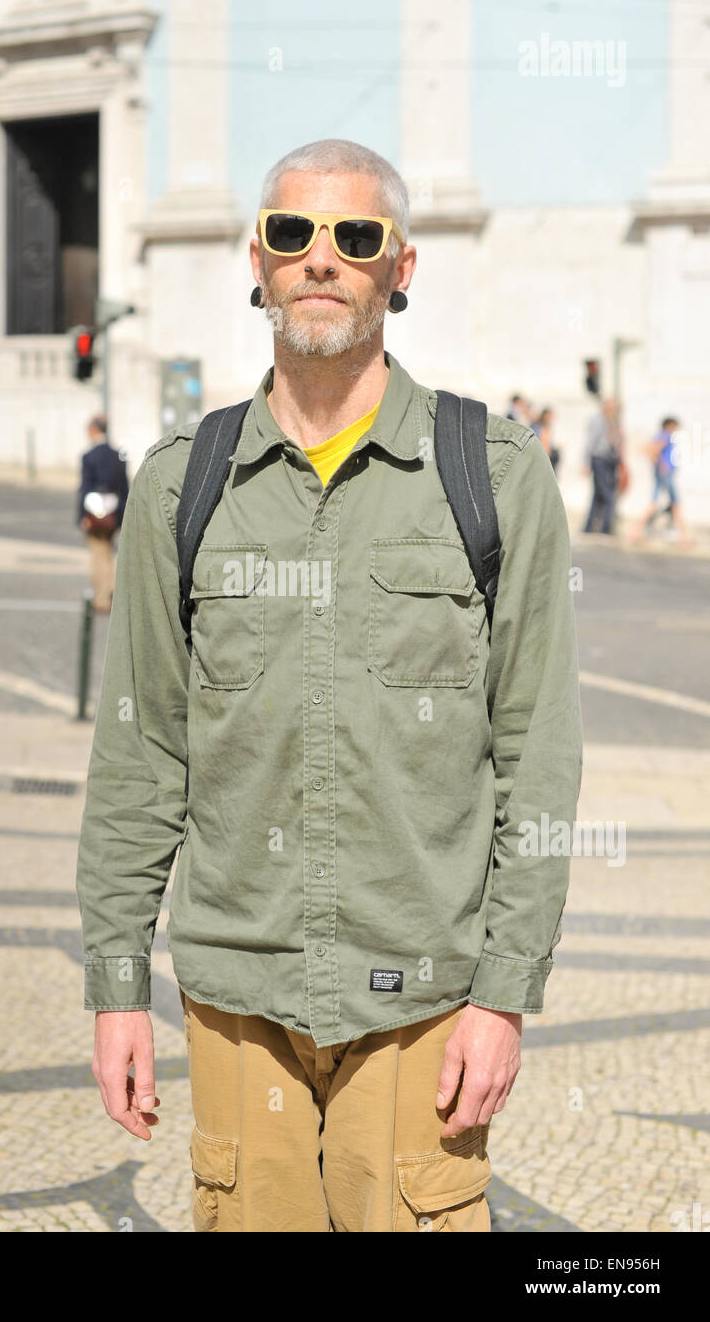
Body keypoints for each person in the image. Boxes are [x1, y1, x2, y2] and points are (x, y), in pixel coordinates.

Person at [76, 138, 583, 1233]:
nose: (322, 259)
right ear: (254, 259)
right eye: (293, 234)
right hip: (235, 998)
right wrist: (117, 982)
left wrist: (505, 991)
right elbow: (141, 752)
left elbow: (537, 750)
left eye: (354, 238)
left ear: (400, 268)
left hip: (423, 995)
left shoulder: (492, 474)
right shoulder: (182, 483)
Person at [76, 414, 128, 613]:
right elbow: (124, 488)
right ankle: (112, 591)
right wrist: (122, 515)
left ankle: (103, 597)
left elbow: (85, 489)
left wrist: (82, 516)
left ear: (94, 430)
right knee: (110, 555)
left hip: (94, 514)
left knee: (99, 556)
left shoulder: (89, 457)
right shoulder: (118, 456)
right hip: (114, 513)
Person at [635, 416, 689, 547]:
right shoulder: (665, 435)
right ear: (669, 426)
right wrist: (661, 465)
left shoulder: (661, 435)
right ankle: (684, 537)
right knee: (676, 503)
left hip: (664, 474)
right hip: (666, 475)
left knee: (657, 503)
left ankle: (636, 532)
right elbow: (651, 450)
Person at [582, 397, 623, 534]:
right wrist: (586, 462)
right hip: (599, 459)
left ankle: (589, 527)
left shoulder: (612, 421)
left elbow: (617, 441)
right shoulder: (598, 420)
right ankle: (606, 528)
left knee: (598, 495)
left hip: (609, 460)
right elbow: (590, 443)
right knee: (607, 495)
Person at [532, 406, 561, 477]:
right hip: (544, 457)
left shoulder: (546, 426)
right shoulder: (540, 427)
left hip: (548, 456)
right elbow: (544, 444)